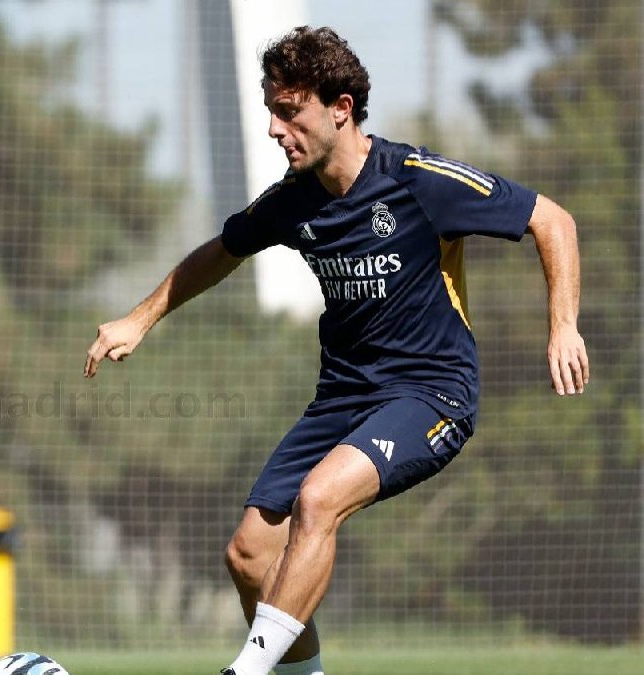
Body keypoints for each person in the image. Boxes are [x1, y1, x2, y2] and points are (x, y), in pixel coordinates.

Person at [84, 26, 588, 675]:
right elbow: (222, 251)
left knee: (318, 499)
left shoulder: (417, 181)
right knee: (249, 554)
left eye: (289, 111)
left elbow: (553, 220)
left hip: (432, 394)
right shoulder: (294, 200)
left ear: (341, 108)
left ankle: (244, 671)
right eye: (271, 110)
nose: (274, 128)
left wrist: (563, 325)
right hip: (342, 398)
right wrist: (139, 319)